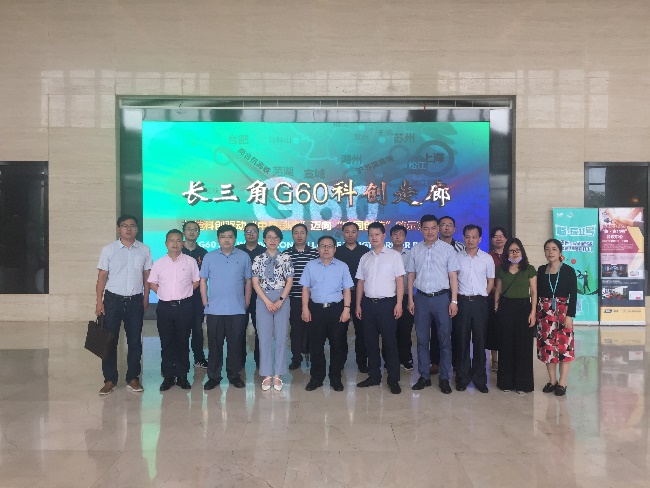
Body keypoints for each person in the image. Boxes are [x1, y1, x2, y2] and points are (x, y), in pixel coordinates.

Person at [95, 214, 152, 395]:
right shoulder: (109, 249)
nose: (128, 228)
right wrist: (99, 301)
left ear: (137, 229)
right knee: (108, 342)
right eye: (125, 225)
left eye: (132, 225)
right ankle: (109, 380)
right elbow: (102, 276)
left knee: (135, 341)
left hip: (135, 301)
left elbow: (147, 276)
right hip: (112, 301)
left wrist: (146, 298)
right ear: (118, 228)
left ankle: (133, 378)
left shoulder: (144, 249)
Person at [407, 214, 459, 394]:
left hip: (442, 299)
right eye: (426, 228)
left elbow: (453, 277)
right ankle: (424, 376)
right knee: (422, 340)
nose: (430, 232)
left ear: (437, 229)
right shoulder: (415, 250)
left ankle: (444, 378)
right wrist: (410, 299)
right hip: (421, 299)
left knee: (444, 340)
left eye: (433, 228)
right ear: (420, 229)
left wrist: (454, 301)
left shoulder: (448, 250)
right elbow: (411, 275)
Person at [355, 221, 405, 394]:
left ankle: (393, 379)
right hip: (368, 305)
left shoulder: (394, 256)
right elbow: (360, 282)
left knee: (390, 343)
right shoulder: (365, 257)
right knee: (370, 342)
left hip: (388, 305)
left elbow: (400, 281)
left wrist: (399, 303)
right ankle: (374, 376)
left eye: (377, 234)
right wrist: (358, 305)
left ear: (384, 236)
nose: (374, 237)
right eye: (371, 235)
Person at [200, 225, 252, 390]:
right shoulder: (209, 257)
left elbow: (248, 281)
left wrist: (246, 301)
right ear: (218, 239)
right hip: (215, 310)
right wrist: (205, 301)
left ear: (235, 238)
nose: (226, 240)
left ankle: (234, 375)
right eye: (223, 237)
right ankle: (214, 377)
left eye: (230, 236)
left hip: (237, 309)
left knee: (235, 345)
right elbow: (203, 280)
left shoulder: (243, 256)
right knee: (214, 346)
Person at [148, 229, 200, 391]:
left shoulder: (190, 261)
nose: (175, 243)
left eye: (178, 240)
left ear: (182, 243)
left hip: (185, 306)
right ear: (166, 243)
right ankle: (168, 376)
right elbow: (152, 282)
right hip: (164, 307)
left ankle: (182, 376)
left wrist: (185, 293)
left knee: (183, 341)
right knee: (167, 342)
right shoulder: (159, 263)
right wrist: (163, 293)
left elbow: (196, 281)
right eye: (172, 240)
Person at [300, 235, 353, 392]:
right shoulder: (310, 266)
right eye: (323, 246)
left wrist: (347, 309)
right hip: (315, 310)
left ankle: (335, 378)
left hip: (336, 309)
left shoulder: (342, 266)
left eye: (329, 246)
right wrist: (305, 308)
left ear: (335, 249)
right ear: (318, 248)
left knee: (338, 345)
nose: (326, 249)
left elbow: (347, 289)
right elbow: (305, 289)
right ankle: (316, 378)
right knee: (316, 346)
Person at [251, 226, 294, 391]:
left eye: (276, 237)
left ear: (280, 240)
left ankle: (278, 375)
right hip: (263, 299)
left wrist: (281, 300)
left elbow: (289, 281)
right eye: (269, 237)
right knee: (264, 337)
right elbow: (255, 282)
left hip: (282, 298)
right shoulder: (258, 258)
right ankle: (267, 374)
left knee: (281, 337)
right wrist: (267, 302)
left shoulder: (286, 258)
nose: (272, 240)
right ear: (264, 239)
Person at [494, 238, 537, 394]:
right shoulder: (501, 269)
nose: (514, 253)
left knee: (523, 347)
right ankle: (505, 382)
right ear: (507, 253)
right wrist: (496, 308)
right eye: (511, 251)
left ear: (522, 252)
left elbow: (534, 292)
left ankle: (523, 384)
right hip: (506, 308)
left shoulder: (529, 269)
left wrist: (533, 312)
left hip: (524, 308)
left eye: (517, 250)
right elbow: (498, 290)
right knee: (506, 345)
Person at [455, 224, 494, 393]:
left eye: (474, 237)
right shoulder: (456, 257)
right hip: (462, 302)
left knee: (479, 341)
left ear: (480, 239)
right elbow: (453, 280)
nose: (470, 240)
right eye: (467, 237)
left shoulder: (487, 258)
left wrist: (483, 295)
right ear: (463, 238)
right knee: (461, 341)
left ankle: (479, 379)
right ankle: (462, 378)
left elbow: (491, 281)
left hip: (480, 303)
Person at [536, 238, 578, 397]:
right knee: (548, 348)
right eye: (547, 249)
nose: (550, 252)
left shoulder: (568, 271)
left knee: (564, 348)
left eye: (554, 249)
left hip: (562, 313)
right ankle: (552, 380)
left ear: (560, 252)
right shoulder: (541, 270)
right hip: (545, 314)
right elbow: (537, 293)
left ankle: (562, 382)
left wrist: (570, 315)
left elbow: (573, 295)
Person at [334, 222, 370, 373]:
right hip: (340, 295)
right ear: (343, 234)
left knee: (361, 331)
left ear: (358, 233)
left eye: (353, 231)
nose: (350, 234)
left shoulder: (365, 251)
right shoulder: (337, 251)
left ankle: (362, 362)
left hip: (360, 295)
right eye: (347, 231)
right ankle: (340, 361)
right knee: (340, 331)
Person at [284, 223, 319, 370]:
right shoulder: (285, 254)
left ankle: (312, 354)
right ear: (292, 235)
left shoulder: (315, 253)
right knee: (296, 329)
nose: (299, 236)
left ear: (306, 235)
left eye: (302, 233)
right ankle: (296, 358)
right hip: (293, 298)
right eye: (296, 233)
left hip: (313, 298)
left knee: (313, 328)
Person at [236, 222, 266, 369]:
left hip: (259, 297)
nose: (251, 234)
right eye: (248, 232)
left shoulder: (265, 251)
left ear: (258, 234)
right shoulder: (237, 251)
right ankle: (239, 361)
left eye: (254, 231)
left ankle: (260, 361)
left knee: (260, 330)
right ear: (244, 235)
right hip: (238, 296)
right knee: (239, 330)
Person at [384, 224, 414, 370]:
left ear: (405, 237)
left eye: (401, 234)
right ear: (390, 237)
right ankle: (389, 359)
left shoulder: (411, 254)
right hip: (389, 297)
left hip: (407, 296)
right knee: (389, 330)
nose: (398, 237)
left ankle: (405, 358)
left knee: (405, 330)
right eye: (395, 234)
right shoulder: (385, 254)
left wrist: (411, 300)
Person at [438, 215, 464, 372]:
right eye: (443, 225)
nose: (446, 228)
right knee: (437, 329)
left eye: (450, 225)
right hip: (438, 293)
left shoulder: (461, 248)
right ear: (438, 228)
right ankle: (436, 362)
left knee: (456, 329)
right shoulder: (432, 246)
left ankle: (455, 362)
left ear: (454, 229)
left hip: (456, 293)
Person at [181, 221, 208, 369]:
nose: (192, 232)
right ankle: (181, 359)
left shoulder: (203, 253)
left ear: (199, 233)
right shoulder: (178, 250)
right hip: (179, 297)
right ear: (183, 232)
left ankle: (199, 358)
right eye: (189, 229)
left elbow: (205, 277)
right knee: (182, 330)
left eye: (195, 229)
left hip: (197, 297)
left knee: (197, 329)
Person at [486, 227, 508, 373]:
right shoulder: (488, 257)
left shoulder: (511, 255)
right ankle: (494, 359)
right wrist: (497, 291)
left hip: (510, 299)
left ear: (506, 239)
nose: (498, 238)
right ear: (492, 239)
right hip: (491, 298)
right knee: (493, 329)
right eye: (495, 236)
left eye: (501, 236)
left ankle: (506, 358)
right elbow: (485, 278)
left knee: (506, 330)